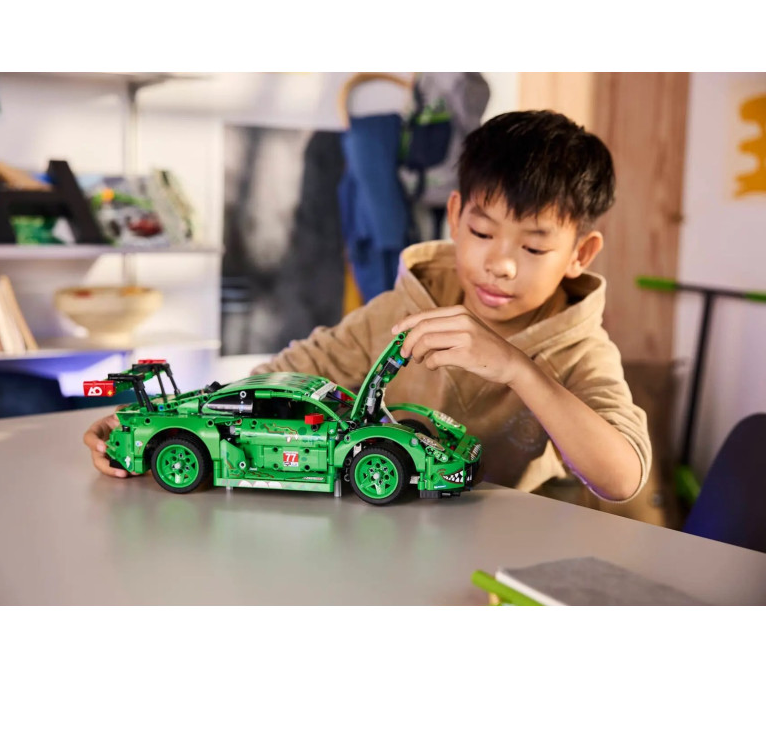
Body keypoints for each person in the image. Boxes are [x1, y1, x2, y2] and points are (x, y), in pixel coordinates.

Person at [85, 110, 651, 503]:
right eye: (482, 233)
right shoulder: (402, 310)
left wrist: (517, 369)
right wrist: (157, 426)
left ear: (580, 254)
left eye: (533, 247)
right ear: (456, 217)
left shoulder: (579, 349)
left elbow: (622, 479)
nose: (500, 264)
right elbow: (279, 379)